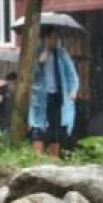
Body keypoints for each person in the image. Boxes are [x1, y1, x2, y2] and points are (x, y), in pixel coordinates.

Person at [30, 27, 79, 158]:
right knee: (38, 126)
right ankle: (37, 157)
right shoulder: (36, 53)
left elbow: (72, 75)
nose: (55, 41)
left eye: (56, 38)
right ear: (45, 39)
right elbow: (30, 76)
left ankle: (54, 158)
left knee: (55, 127)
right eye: (52, 38)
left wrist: (73, 90)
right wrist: (40, 62)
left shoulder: (61, 54)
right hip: (40, 98)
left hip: (58, 95)